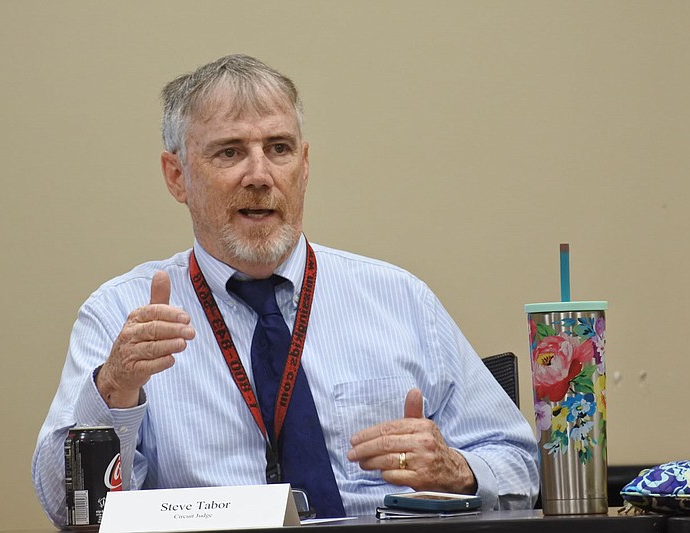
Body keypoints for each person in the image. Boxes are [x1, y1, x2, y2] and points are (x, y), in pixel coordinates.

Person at [32, 54, 538, 527]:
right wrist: (115, 389)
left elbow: (519, 464)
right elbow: (66, 508)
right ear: (176, 176)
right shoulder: (121, 313)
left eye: (279, 148)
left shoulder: (400, 300)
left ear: (305, 163)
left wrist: (456, 470)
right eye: (230, 152)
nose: (260, 175)